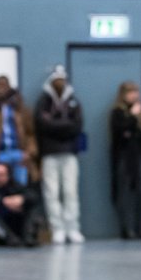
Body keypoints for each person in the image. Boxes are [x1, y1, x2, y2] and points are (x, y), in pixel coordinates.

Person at [34, 64, 85, 244]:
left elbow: (76, 126)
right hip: (49, 153)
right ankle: (57, 228)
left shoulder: (73, 101)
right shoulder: (43, 101)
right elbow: (42, 125)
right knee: (51, 192)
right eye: (57, 80)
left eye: (62, 80)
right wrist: (63, 125)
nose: (59, 83)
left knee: (70, 191)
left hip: (69, 153)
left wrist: (55, 124)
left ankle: (72, 227)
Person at [109, 81, 141, 239]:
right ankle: (127, 229)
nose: (134, 95)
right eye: (130, 92)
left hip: (140, 156)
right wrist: (133, 118)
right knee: (125, 193)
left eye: (135, 92)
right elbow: (120, 132)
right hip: (124, 157)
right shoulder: (117, 112)